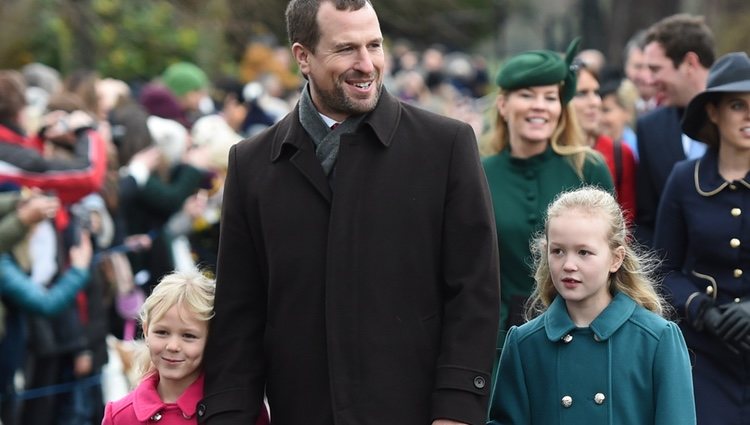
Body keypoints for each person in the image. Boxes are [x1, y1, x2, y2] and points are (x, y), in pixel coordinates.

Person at [200, 1, 500, 424]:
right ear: (302, 56)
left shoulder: (445, 146)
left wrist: (456, 410)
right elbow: (238, 313)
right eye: (346, 49)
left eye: (374, 45)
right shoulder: (252, 164)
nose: (367, 64)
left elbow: (475, 291)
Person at [488, 186, 696, 425]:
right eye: (557, 251)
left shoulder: (657, 339)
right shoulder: (525, 343)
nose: (568, 264)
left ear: (616, 259)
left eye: (584, 252)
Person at [481, 38, 613, 354]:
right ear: (503, 105)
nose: (540, 106)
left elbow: (611, 255)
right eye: (527, 95)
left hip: (582, 332)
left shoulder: (588, 167)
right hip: (500, 338)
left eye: (550, 97)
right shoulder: (477, 172)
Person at [653, 51, 750, 425]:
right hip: (704, 355)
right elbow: (663, 269)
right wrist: (702, 311)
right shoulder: (684, 179)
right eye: (737, 105)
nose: (747, 116)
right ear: (713, 111)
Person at [101, 270, 270, 424]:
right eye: (162, 332)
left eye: (188, 336)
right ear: (146, 331)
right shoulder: (118, 417)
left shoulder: (239, 409)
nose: (173, 346)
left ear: (212, 339)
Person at [635, 14, 714, 246]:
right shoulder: (650, 128)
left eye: (656, 69)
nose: (649, 80)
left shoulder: (742, 123)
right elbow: (647, 220)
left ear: (690, 63)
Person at [570, 62, 637, 223]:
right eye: (581, 93)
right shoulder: (545, 153)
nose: (594, 102)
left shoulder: (620, 153)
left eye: (596, 92)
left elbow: (626, 225)